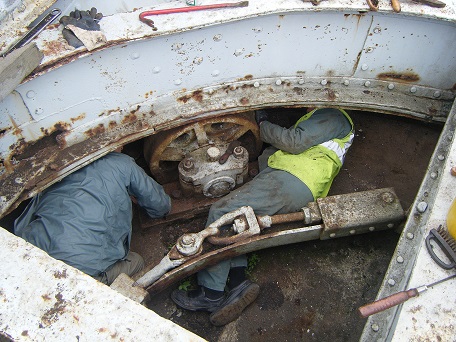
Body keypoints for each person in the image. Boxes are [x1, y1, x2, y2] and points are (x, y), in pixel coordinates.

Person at [171, 107, 354, 326]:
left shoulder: (333, 115)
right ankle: (238, 283)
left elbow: (294, 141)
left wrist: (263, 125)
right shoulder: (325, 117)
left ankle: (210, 294)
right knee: (240, 222)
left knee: (221, 212)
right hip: (294, 181)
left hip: (291, 181)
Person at [14, 149, 171, 285]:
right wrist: (161, 210)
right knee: (137, 262)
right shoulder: (122, 163)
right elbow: (159, 204)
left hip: (30, 259)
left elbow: (24, 219)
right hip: (77, 275)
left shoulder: (58, 164)